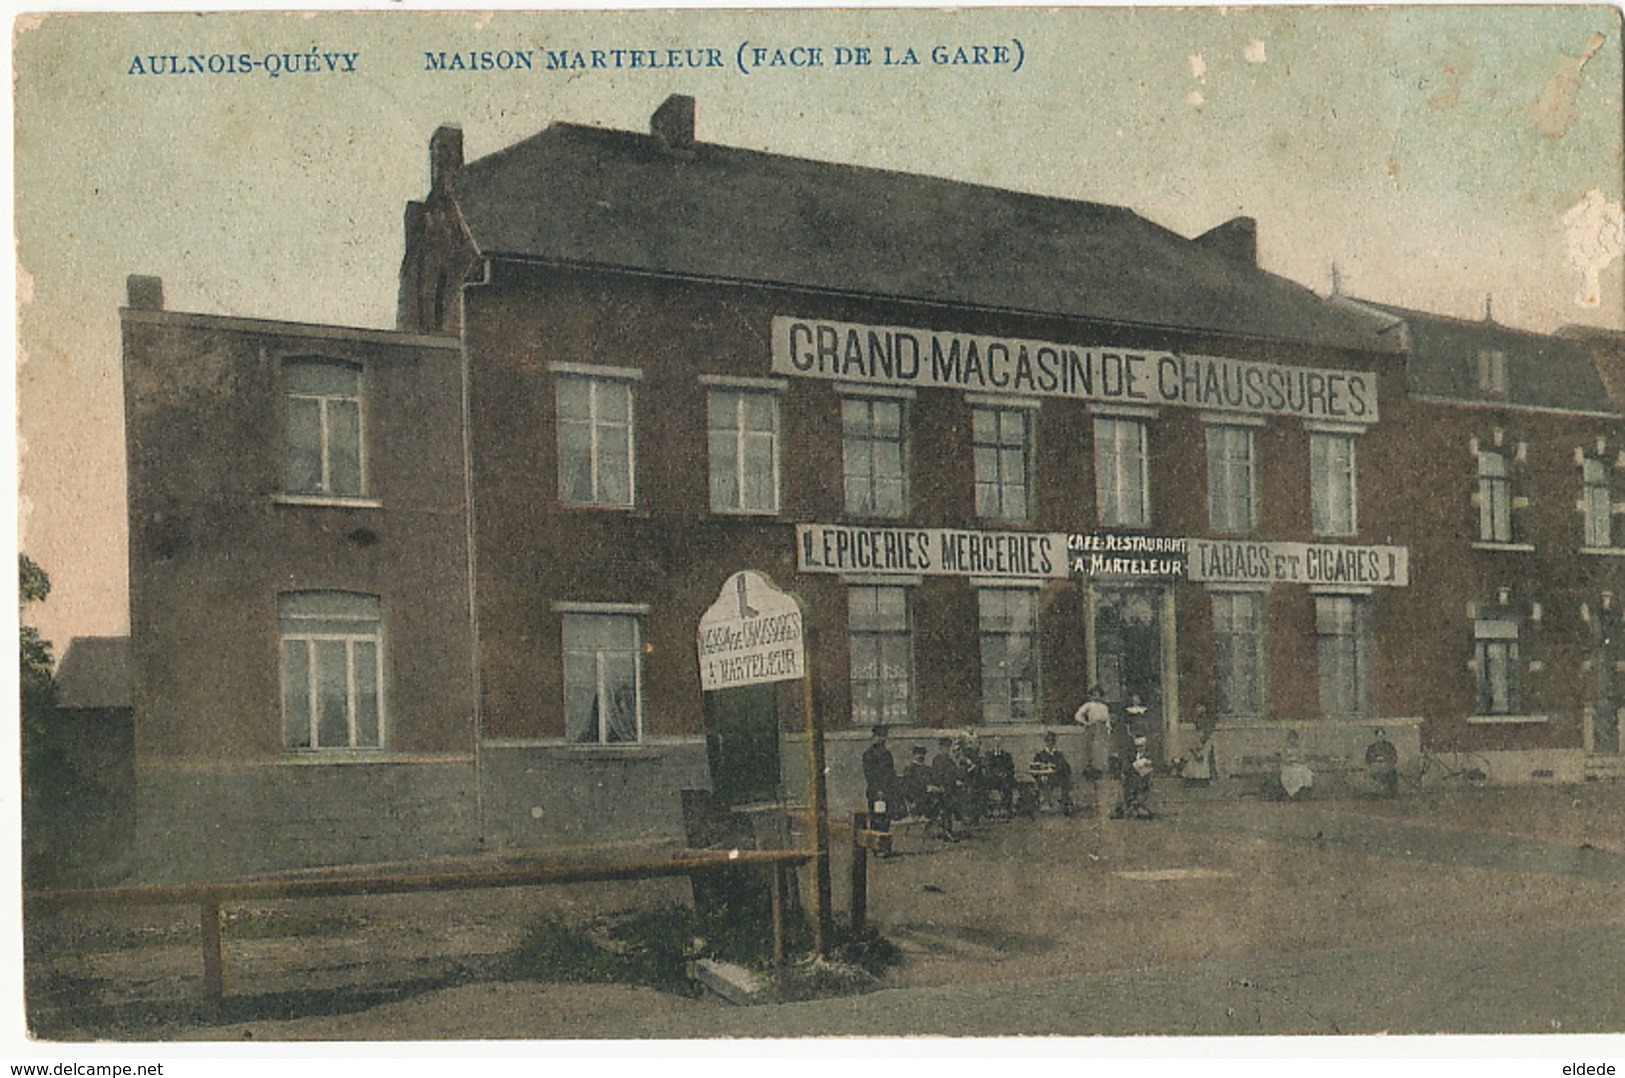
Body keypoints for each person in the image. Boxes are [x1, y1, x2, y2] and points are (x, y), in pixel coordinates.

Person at [861, 725, 898, 841]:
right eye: (879, 736)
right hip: (875, 792)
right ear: (874, 737)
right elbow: (870, 775)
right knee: (876, 819)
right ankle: (876, 846)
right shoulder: (868, 754)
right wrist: (878, 790)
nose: (881, 739)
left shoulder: (887, 754)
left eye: (883, 736)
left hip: (887, 791)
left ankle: (884, 846)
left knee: (885, 820)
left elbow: (891, 773)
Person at [1030, 730, 1074, 816]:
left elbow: (1067, 768)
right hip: (1044, 779)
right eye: (1048, 741)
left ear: (1054, 742)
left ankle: (1064, 805)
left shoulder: (1059, 755)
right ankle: (1047, 804)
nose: (1050, 743)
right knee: (1043, 781)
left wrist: (1056, 768)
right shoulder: (1039, 755)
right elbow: (1034, 768)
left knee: (1065, 782)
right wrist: (1041, 773)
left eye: (1052, 741)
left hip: (1056, 778)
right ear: (1045, 742)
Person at [929, 736, 965, 840]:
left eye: (948, 748)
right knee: (948, 802)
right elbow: (937, 776)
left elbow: (955, 774)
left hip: (949, 789)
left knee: (955, 799)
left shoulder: (950, 761)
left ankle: (948, 828)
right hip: (940, 790)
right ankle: (946, 830)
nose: (946, 750)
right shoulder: (937, 760)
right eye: (944, 747)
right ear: (940, 748)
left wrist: (957, 780)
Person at [1116, 735, 1156, 819]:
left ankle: (1138, 807)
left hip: (1143, 781)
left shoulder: (1148, 756)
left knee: (1142, 794)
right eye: (1138, 747)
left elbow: (1149, 770)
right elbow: (1127, 768)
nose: (1140, 749)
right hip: (1131, 781)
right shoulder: (1131, 756)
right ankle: (1129, 807)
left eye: (1141, 746)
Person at [981, 737, 1017, 817]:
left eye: (999, 743)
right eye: (995, 743)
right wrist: (996, 774)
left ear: (1002, 744)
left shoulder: (1007, 756)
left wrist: (1006, 773)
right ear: (992, 744)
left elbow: (1011, 768)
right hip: (992, 779)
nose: (997, 745)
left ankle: (1006, 807)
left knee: (1007, 783)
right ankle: (989, 809)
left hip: (1004, 778)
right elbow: (988, 768)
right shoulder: (989, 755)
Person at [1279, 728, 1313, 800]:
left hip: (1298, 765)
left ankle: (1301, 791)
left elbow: (1302, 758)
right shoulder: (1285, 749)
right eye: (1291, 739)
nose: (1293, 741)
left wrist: (1298, 761)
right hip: (1288, 767)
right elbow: (1284, 759)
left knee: (1304, 773)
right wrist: (1290, 760)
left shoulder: (1299, 749)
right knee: (1292, 775)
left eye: (1294, 739)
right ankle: (1293, 793)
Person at [1366, 728, 1399, 798]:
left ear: (1384, 736)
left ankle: (1390, 794)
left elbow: (1394, 756)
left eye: (1382, 736)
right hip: (1376, 767)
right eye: (1378, 736)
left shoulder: (1389, 746)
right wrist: (1376, 760)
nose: (1380, 738)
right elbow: (1368, 759)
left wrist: (1385, 759)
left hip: (1387, 766)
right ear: (1376, 737)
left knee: (1392, 773)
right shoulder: (1371, 748)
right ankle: (1376, 793)